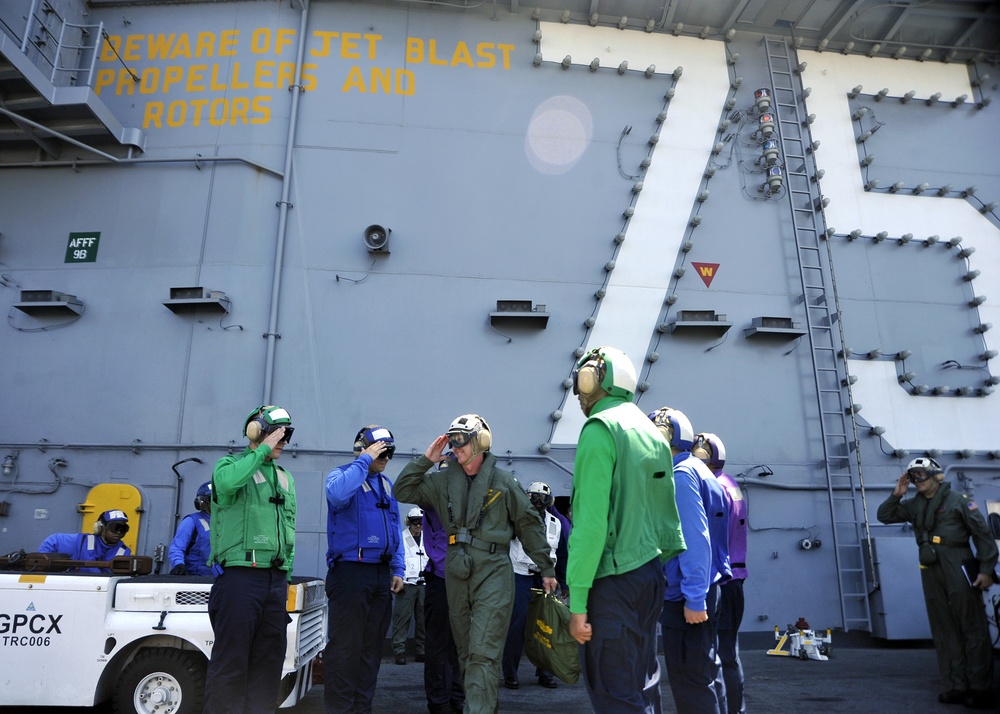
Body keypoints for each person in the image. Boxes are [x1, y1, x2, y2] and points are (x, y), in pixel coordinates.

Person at [394, 413, 558, 714]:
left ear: (481, 442)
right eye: (452, 440)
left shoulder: (503, 482)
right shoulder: (442, 482)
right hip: (453, 572)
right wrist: (427, 460)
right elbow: (402, 491)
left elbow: (529, 524)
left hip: (493, 569)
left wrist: (545, 567)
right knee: (464, 650)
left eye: (461, 441)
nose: (455, 447)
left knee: (482, 651)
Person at [565, 346, 685, 714]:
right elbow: (667, 517)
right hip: (649, 575)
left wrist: (579, 603)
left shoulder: (601, 428)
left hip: (612, 582)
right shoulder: (650, 432)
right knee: (643, 684)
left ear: (592, 380)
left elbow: (589, 523)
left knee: (614, 692)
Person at [877, 457, 997, 710]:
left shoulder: (959, 502)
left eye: (921, 474)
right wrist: (897, 494)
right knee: (944, 629)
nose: (917, 480)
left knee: (971, 626)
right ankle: (956, 686)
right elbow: (885, 515)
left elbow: (982, 535)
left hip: (957, 561)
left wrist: (986, 569)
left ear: (936, 476)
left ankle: (980, 687)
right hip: (930, 567)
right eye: (913, 476)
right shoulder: (913, 505)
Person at [204, 404, 297, 714]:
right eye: (276, 433)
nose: (283, 440)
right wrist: (260, 452)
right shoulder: (229, 465)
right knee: (230, 666)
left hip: (274, 583)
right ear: (255, 433)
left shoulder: (285, 478)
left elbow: (289, 528)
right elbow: (228, 484)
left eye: (287, 434)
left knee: (268, 667)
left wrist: (285, 573)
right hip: (239, 580)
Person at [648, 407, 731, 714]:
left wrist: (694, 598)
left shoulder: (680, 477)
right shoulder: (699, 468)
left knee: (689, 681)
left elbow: (695, 542)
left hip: (687, 595)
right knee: (707, 675)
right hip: (704, 588)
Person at [324, 424, 405, 714]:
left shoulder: (386, 485)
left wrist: (398, 568)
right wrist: (364, 460)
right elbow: (337, 496)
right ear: (362, 448)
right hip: (350, 573)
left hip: (381, 575)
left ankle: (361, 708)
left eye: (388, 452)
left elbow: (395, 526)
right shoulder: (342, 476)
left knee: (371, 651)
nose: (385, 457)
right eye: (380, 450)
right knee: (345, 648)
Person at [694, 432, 747, 714]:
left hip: (720, 582)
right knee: (729, 654)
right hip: (735, 582)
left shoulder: (713, 488)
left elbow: (708, 539)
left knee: (715, 657)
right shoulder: (731, 484)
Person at [502, 481, 562, 690]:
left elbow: (561, 554)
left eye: (543, 498)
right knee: (516, 626)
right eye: (534, 497)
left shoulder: (556, 522)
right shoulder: (516, 520)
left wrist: (561, 581)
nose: (539, 502)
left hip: (546, 578)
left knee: (546, 627)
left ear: (549, 500)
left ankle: (545, 673)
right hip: (520, 576)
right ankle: (510, 673)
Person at [421, 505, 466, 714]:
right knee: (439, 645)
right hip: (441, 579)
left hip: (465, 581)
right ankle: (439, 701)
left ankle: (456, 696)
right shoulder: (434, 500)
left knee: (460, 644)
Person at [38, 509, 132, 573]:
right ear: (100, 528)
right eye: (114, 528)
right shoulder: (81, 541)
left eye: (123, 529)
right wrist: (41, 567)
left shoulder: (124, 552)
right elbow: (54, 540)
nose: (119, 532)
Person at [392, 506, 428, 665]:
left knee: (424, 619)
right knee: (402, 618)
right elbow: (396, 559)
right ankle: (399, 651)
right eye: (415, 523)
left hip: (425, 584)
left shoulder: (429, 537)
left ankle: (422, 651)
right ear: (409, 522)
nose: (418, 526)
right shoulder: (401, 538)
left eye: (421, 523)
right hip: (407, 584)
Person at [168, 481, 213, 576]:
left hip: (221, 579)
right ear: (202, 502)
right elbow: (177, 548)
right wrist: (178, 564)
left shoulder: (228, 523)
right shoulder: (191, 521)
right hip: (195, 580)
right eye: (212, 499)